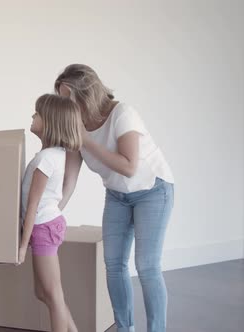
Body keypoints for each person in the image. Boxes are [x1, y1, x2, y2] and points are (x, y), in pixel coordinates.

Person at [55, 64, 174, 332]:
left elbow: (129, 165)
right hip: (118, 195)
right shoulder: (76, 128)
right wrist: (50, 213)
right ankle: (125, 328)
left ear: (86, 94)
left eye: (67, 97)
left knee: (147, 266)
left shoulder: (123, 114)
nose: (64, 104)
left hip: (153, 190)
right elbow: (69, 181)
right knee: (114, 264)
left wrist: (86, 139)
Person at [19, 94, 83, 332]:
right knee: (43, 292)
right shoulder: (54, 155)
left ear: (50, 122)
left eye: (37, 113)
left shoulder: (46, 159)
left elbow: (33, 206)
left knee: (53, 294)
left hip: (42, 227)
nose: (33, 116)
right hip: (44, 226)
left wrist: (22, 247)